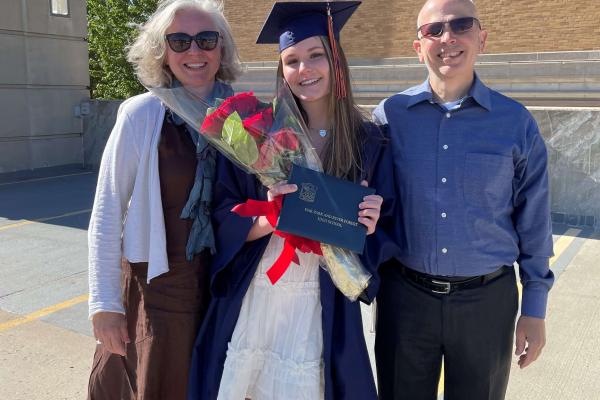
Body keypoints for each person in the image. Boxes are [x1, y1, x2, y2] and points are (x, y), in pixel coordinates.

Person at [187, 2, 392, 399]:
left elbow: (387, 230)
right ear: (281, 71)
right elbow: (221, 214)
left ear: (336, 60)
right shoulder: (257, 131)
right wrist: (269, 217)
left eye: (316, 55)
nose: (304, 70)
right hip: (257, 294)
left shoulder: (369, 141)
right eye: (292, 60)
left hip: (322, 301)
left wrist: (370, 220)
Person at [372, 0, 555, 399]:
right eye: (433, 31)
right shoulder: (389, 116)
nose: (448, 38)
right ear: (417, 47)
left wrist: (535, 308)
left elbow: (534, 219)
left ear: (482, 39)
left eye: (461, 25)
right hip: (405, 299)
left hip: (487, 304)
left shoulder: (515, 122)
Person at [87, 1, 242, 399]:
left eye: (206, 39)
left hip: (225, 285)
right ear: (163, 51)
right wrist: (104, 304)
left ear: (221, 49)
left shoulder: (243, 117)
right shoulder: (142, 115)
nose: (194, 51)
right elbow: (107, 210)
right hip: (158, 288)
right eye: (179, 40)